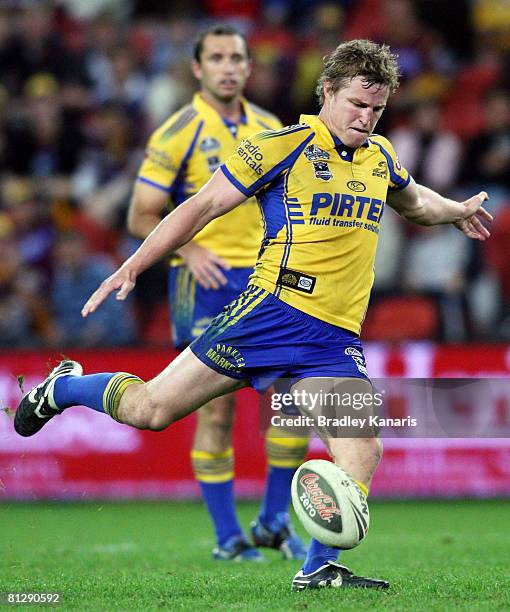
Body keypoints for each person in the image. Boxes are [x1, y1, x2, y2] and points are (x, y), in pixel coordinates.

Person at [15, 39, 491, 591]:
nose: (366, 118)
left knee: (362, 446)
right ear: (328, 92)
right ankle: (65, 387)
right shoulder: (282, 146)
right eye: (357, 105)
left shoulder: (379, 156)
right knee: (151, 410)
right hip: (268, 312)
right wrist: (133, 266)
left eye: (377, 109)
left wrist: (456, 211)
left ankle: (318, 568)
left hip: (331, 336)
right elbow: (201, 206)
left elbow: (413, 202)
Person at [126, 24, 308, 562]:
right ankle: (228, 536)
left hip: (268, 280)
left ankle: (274, 520)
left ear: (249, 68)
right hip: (202, 282)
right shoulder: (176, 131)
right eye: (217, 58)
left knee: (291, 404)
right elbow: (140, 214)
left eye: (238, 58)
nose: (229, 66)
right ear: (197, 69)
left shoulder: (272, 127)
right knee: (217, 410)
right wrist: (189, 251)